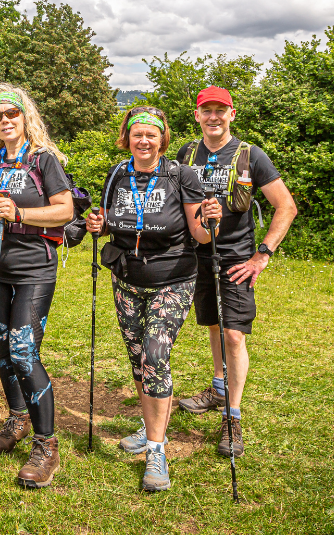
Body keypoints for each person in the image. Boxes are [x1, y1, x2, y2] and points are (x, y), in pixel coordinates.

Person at [85, 105, 219, 492]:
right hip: (126, 279)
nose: (144, 140)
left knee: (155, 354)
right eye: (137, 134)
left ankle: (157, 450)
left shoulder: (181, 175)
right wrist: (99, 223)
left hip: (173, 279)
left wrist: (213, 219)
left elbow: (202, 236)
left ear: (163, 139)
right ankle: (149, 427)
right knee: (139, 360)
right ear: (126, 138)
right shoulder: (118, 173)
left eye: (152, 134)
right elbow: (113, 219)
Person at [174, 85, 297, 460]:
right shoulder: (186, 153)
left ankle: (232, 415)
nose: (213, 116)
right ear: (197, 115)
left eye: (220, 110)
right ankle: (217, 388)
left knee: (234, 335)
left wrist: (262, 255)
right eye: (206, 110)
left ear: (232, 114)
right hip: (196, 256)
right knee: (213, 326)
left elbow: (286, 207)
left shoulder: (250, 155)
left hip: (236, 260)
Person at [0, 84, 74, 489]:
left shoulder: (43, 159)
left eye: (12, 113)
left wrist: (17, 212)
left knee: (23, 350)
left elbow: (64, 210)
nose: (5, 121)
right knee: (1, 345)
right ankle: (17, 420)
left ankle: (47, 445)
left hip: (34, 268)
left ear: (24, 115)